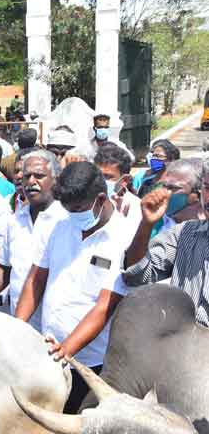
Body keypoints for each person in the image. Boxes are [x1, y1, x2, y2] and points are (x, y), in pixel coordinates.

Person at [15, 161, 135, 417]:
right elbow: (36, 279)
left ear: (100, 199)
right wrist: (16, 329)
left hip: (92, 362)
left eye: (78, 209)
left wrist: (66, 350)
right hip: (49, 350)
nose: (73, 215)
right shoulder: (59, 224)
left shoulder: (123, 238)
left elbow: (105, 305)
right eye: (68, 209)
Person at [0, 150, 65, 329]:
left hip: (55, 329)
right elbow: (5, 267)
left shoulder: (67, 221)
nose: (31, 182)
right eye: (26, 176)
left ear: (56, 179)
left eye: (39, 176)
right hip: (20, 325)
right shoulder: (15, 220)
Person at [122, 165, 209, 327]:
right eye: (207, 188)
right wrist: (146, 224)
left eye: (174, 188)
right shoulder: (184, 233)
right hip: (178, 347)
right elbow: (136, 275)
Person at [94, 143, 142, 228]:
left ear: (124, 181)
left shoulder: (137, 210)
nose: (100, 180)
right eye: (97, 175)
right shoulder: (87, 202)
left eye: (108, 177)